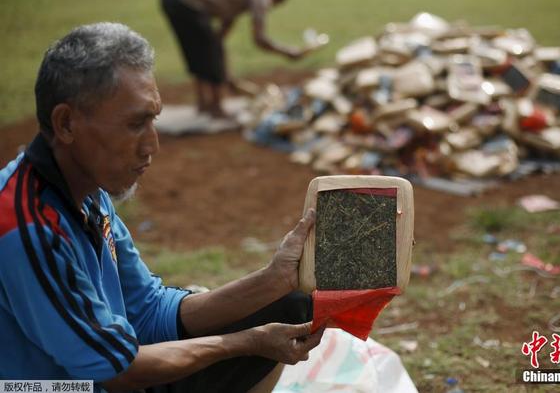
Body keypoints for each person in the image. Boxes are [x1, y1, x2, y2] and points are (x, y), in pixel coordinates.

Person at [0, 22, 324, 392]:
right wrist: (247, 341)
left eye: (152, 120)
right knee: (251, 341)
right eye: (136, 124)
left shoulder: (87, 189)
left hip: (113, 366)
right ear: (66, 123)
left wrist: (274, 280)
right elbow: (119, 372)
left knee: (288, 303)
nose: (152, 145)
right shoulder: (26, 228)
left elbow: (150, 311)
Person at [161, 0, 310, 121]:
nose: (271, 7)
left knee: (197, 51)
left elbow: (220, 36)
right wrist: (288, 52)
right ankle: (216, 109)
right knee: (207, 52)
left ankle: (203, 105)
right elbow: (260, 39)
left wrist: (225, 72)